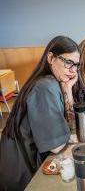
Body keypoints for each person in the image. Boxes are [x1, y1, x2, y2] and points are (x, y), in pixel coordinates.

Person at [0, 36, 80, 190]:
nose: (73, 70)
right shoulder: (45, 87)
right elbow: (56, 146)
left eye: (76, 65)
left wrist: (68, 89)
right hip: (21, 175)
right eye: (68, 62)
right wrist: (67, 134)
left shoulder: (54, 82)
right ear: (51, 58)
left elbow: (71, 123)